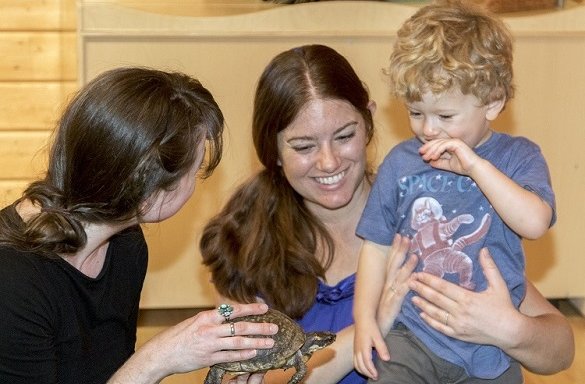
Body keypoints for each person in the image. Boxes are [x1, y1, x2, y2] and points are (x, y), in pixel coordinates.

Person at [200, 44, 573, 384]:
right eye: (303, 146)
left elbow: (560, 348)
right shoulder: (246, 246)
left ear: (369, 124)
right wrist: (372, 322)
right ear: (274, 151)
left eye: (344, 136)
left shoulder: (422, 210)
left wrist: (511, 331)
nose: (328, 161)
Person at [0, 67, 279, 384]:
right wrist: (157, 359)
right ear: (150, 190)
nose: (197, 183)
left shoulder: (126, 246)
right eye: (197, 167)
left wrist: (233, 319)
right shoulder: (13, 282)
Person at [353, 1, 559, 382]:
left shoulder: (518, 157)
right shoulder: (401, 161)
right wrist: (364, 320)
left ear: (493, 103)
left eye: (445, 116)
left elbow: (534, 223)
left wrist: (476, 167)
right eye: (415, 112)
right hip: (411, 335)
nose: (428, 129)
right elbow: (376, 247)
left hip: (490, 348)